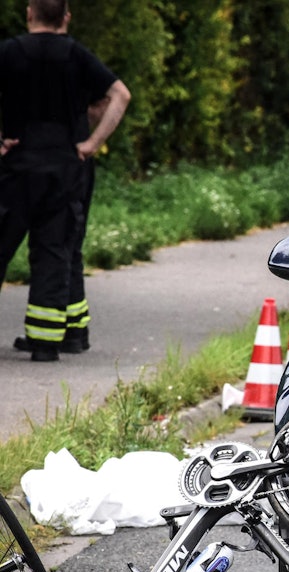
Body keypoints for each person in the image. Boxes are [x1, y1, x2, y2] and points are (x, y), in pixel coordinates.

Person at [0, 0, 130, 362]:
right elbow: (120, 95)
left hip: (16, 168)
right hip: (64, 170)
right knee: (55, 252)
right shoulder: (76, 55)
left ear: (29, 13)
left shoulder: (9, 52)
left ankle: (58, 335)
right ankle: (45, 344)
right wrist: (92, 143)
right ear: (65, 18)